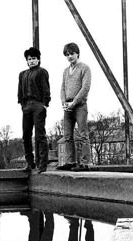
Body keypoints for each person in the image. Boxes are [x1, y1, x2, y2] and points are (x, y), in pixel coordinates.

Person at [18, 47, 51, 174]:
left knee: (40, 135)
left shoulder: (42, 72)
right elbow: (19, 92)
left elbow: (46, 89)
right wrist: (22, 104)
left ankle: (42, 164)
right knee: (26, 134)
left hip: (38, 105)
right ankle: (29, 162)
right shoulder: (22, 74)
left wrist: (44, 104)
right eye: (29, 59)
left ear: (38, 59)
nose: (31, 61)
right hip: (26, 106)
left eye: (34, 58)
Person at [59, 42, 91, 172]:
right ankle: (70, 161)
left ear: (77, 53)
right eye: (67, 54)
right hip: (67, 107)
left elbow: (85, 87)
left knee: (83, 134)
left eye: (72, 53)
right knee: (67, 136)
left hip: (80, 106)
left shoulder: (85, 68)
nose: (70, 56)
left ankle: (85, 163)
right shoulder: (66, 71)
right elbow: (62, 88)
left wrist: (75, 102)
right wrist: (63, 102)